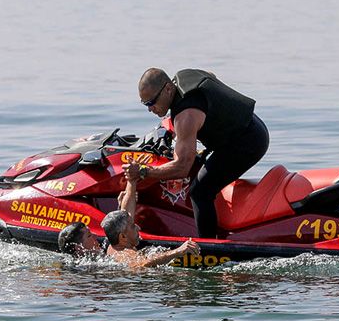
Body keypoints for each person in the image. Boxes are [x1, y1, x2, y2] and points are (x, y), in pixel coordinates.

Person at [132, 67, 269, 238]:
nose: (149, 109)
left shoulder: (186, 116)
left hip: (247, 143)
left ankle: (208, 248)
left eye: (151, 103)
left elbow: (182, 168)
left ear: (167, 89)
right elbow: (211, 77)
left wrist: (144, 171)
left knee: (200, 191)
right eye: (145, 104)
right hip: (249, 126)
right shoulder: (184, 77)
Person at [59, 165, 200, 267]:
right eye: (89, 236)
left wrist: (132, 182)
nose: (137, 226)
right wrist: (178, 251)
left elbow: (126, 214)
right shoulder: (121, 253)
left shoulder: (113, 244)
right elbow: (141, 264)